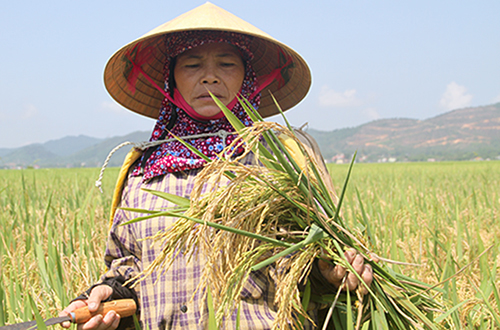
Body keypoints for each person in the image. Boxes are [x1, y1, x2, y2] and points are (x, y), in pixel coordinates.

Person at [61, 3, 373, 330]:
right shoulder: (143, 172)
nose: (209, 76)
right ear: (172, 79)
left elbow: (322, 256)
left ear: (247, 75)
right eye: (192, 64)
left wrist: (335, 269)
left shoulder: (282, 158)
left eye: (226, 63)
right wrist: (105, 295)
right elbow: (127, 270)